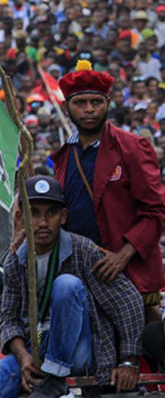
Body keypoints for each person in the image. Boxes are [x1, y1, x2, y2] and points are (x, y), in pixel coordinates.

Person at [0, 175, 144, 398]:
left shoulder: (82, 250)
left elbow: (128, 302)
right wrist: (23, 358)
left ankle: (55, 377)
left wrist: (129, 360)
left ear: (63, 217)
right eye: (35, 213)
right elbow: (9, 318)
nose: (43, 222)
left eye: (51, 213)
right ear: (21, 217)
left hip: (78, 354)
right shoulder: (15, 259)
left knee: (66, 285)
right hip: (35, 350)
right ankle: (44, 373)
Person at [51, 60, 165, 321]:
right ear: (66, 107)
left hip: (128, 271)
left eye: (96, 102)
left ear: (107, 104)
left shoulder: (134, 147)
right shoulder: (62, 157)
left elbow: (156, 210)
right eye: (80, 103)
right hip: (82, 273)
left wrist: (122, 256)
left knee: (144, 348)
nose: (89, 109)